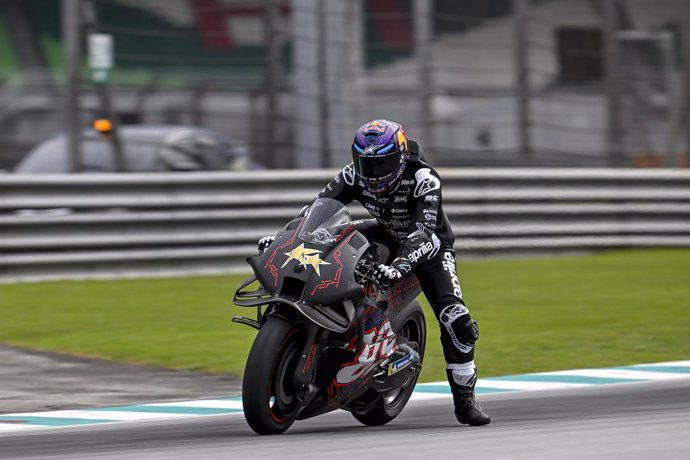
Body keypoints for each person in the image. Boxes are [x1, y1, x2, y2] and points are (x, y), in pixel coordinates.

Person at [258, 119, 490, 426]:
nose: (374, 174)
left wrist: (400, 267)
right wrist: (283, 240)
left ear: (402, 155)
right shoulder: (353, 174)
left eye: (383, 164)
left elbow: (422, 232)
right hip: (383, 232)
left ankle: (465, 400)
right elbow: (316, 210)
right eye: (366, 164)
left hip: (430, 246)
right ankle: (337, 331)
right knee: (329, 241)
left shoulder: (424, 179)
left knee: (456, 319)